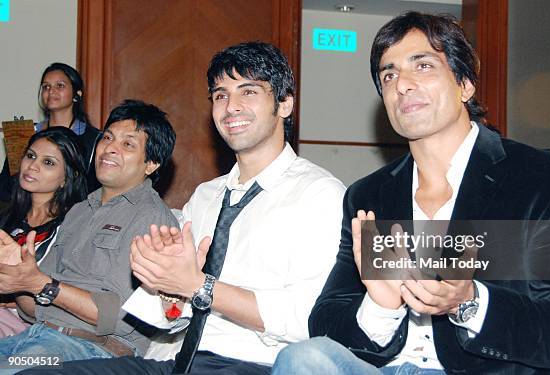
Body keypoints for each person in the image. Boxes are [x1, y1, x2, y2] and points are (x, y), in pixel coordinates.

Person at [272, 11, 550, 374]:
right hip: (384, 367)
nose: (402, 84)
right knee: (302, 359)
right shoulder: (368, 197)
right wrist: (381, 306)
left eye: (423, 66)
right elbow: (326, 322)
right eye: (389, 74)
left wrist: (469, 302)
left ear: (464, 85)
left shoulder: (542, 180)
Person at [29, 41, 345, 375]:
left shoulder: (318, 194)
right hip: (174, 360)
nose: (231, 107)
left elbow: (311, 316)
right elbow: (171, 317)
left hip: (252, 363)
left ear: (284, 104)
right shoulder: (206, 196)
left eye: (248, 92)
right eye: (221, 95)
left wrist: (201, 287)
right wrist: (166, 287)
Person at [0, 99, 177, 373]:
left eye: (128, 144)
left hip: (92, 349)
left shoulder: (151, 219)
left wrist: (41, 284)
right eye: (107, 137)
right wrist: (19, 274)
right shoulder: (80, 211)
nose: (109, 148)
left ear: (151, 164)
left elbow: (116, 315)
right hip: (38, 336)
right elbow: (35, 307)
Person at [0, 127, 87, 338]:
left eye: (48, 162)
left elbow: (67, 294)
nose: (32, 166)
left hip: (36, 326)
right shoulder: (7, 218)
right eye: (30, 156)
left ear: (66, 178)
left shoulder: (73, 226)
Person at [36, 62, 101, 193]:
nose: (51, 91)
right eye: (46, 86)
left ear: (77, 94)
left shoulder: (94, 139)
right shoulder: (25, 133)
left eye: (59, 85)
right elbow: (6, 186)